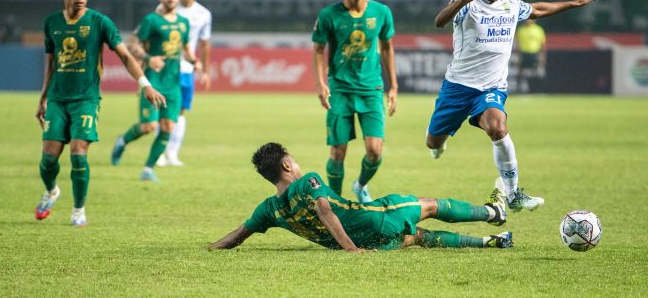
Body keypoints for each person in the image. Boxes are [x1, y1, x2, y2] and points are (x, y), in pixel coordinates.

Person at [428, 0, 602, 212]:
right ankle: (439, 146)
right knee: (434, 142)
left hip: (491, 88)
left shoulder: (511, 4)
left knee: (498, 127)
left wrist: (575, 3)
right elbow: (440, 21)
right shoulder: (466, 2)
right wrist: (462, 0)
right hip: (457, 87)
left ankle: (513, 194)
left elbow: (537, 10)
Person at [35, 0, 166, 226]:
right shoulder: (51, 23)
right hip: (57, 100)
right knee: (48, 159)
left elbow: (127, 56)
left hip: (86, 99)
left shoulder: (100, 22)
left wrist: (145, 84)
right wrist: (42, 98)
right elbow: (51, 64)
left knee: (78, 153)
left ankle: (78, 210)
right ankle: (51, 190)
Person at [208, 142, 512, 252]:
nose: (296, 164)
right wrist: (351, 250)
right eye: (293, 160)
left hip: (375, 242)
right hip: (376, 216)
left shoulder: (269, 210)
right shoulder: (308, 181)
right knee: (430, 205)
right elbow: (325, 209)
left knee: (419, 237)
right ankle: (492, 213)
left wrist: (212, 247)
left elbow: (237, 235)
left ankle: (493, 242)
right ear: (287, 165)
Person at [311, 0, 398, 204]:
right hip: (340, 90)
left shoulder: (382, 13)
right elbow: (318, 50)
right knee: (338, 151)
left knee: (374, 151)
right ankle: (335, 203)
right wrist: (320, 84)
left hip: (371, 89)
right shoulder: (329, 15)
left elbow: (388, 47)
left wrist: (394, 86)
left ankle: (360, 185)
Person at [110, 0, 196, 182]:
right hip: (152, 81)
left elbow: (186, 50)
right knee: (148, 127)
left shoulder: (184, 23)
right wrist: (149, 58)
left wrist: (195, 61)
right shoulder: (151, 21)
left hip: (173, 84)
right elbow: (132, 44)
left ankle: (148, 169)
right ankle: (122, 140)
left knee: (167, 127)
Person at [156, 0, 213, 167]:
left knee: (180, 111)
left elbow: (204, 44)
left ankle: (172, 153)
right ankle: (160, 152)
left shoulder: (203, 14)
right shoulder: (165, 10)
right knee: (164, 110)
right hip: (166, 68)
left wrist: (205, 70)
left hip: (187, 69)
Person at [515, 19, 547, 91]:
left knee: (536, 72)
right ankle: (519, 88)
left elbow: (543, 43)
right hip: (524, 53)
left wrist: (542, 55)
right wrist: (517, 55)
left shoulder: (539, 29)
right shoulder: (521, 29)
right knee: (520, 72)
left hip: (535, 53)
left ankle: (536, 89)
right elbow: (517, 43)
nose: (528, 20)